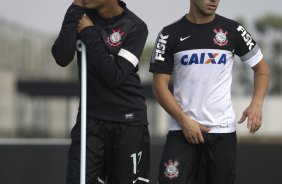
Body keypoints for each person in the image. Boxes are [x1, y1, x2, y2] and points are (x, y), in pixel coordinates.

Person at [149, 0, 270, 184]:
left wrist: (256, 104)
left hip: (222, 135)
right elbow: (159, 87)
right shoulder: (169, 33)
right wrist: (184, 121)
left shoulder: (233, 30)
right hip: (182, 132)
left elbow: (261, 69)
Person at [51, 0, 150, 184]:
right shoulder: (81, 17)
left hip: (127, 121)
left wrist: (89, 33)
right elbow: (61, 57)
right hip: (90, 120)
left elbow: (114, 76)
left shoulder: (136, 26)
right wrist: (73, 9)